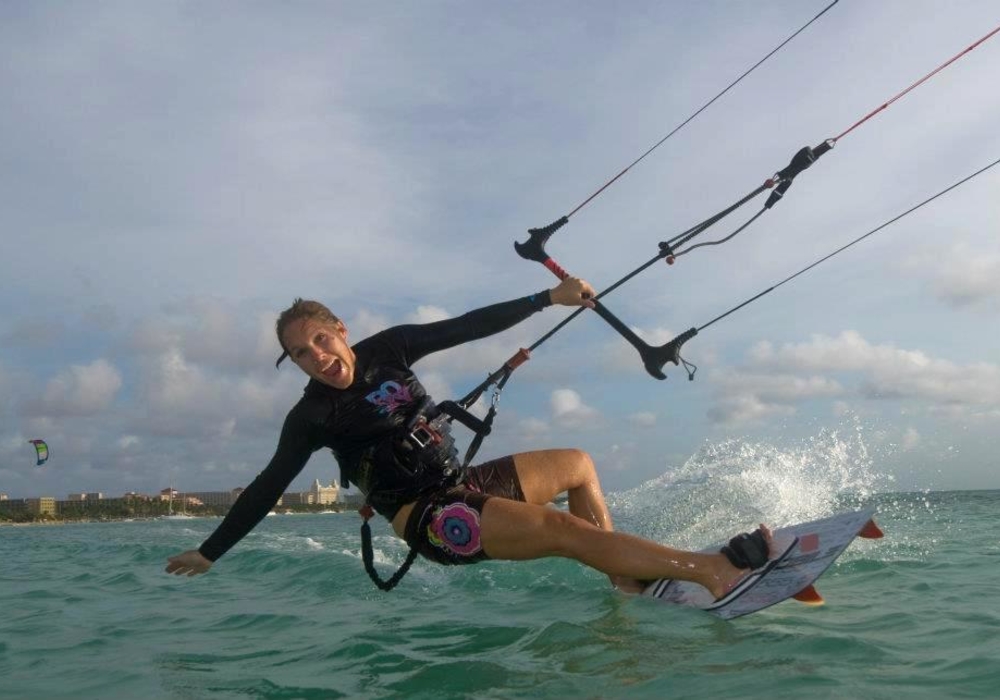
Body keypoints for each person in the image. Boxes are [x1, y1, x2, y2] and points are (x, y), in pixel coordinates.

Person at [165, 277, 774, 599]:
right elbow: (267, 487)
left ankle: (621, 576)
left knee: (579, 465)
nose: (316, 357)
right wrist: (210, 552)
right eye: (300, 354)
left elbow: (468, 325)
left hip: (461, 482)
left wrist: (547, 298)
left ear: (340, 331)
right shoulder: (311, 418)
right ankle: (710, 571)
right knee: (565, 532)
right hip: (426, 516)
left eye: (320, 340)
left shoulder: (391, 348)